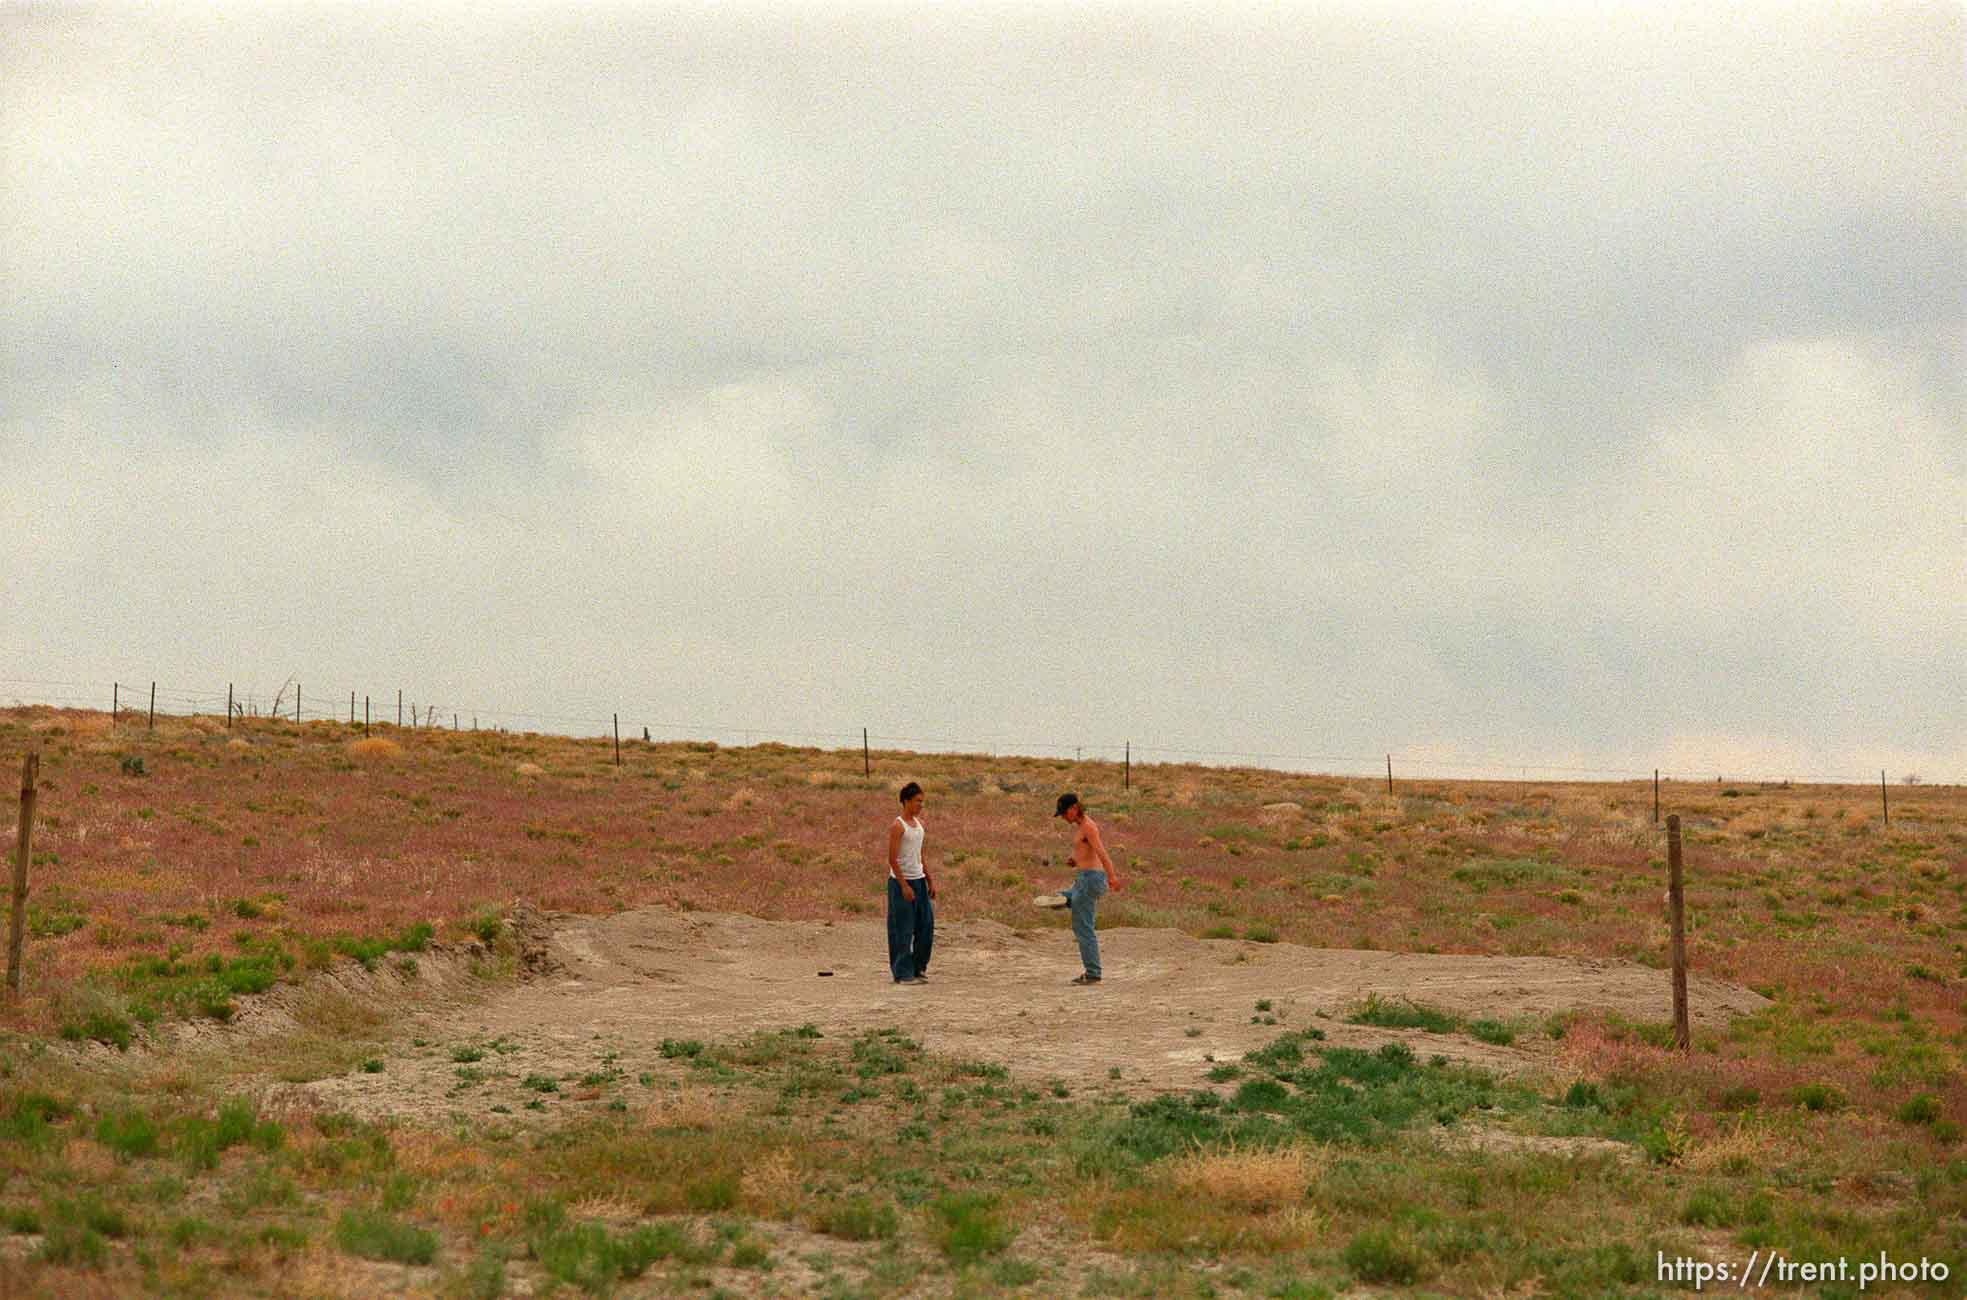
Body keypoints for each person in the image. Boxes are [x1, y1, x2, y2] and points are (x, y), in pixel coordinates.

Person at [1052, 792, 1122, 984]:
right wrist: (1075, 859)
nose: (1064, 818)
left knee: (1083, 927)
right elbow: (1087, 851)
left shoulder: (1088, 827)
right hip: (1084, 878)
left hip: (1091, 879)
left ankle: (1092, 973)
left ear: (1074, 808)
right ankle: (1066, 900)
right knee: (1062, 898)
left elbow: (1102, 853)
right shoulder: (1082, 825)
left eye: (1064, 813)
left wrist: (1112, 877)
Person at [885, 781, 935, 984]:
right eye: (917, 801)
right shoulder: (898, 826)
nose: (920, 805)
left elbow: (919, 854)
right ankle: (902, 974)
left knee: (926, 926)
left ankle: (918, 968)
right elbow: (892, 858)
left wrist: (930, 879)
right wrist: (903, 885)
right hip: (900, 883)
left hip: (919, 880)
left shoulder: (919, 825)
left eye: (922, 802)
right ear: (906, 801)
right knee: (902, 929)